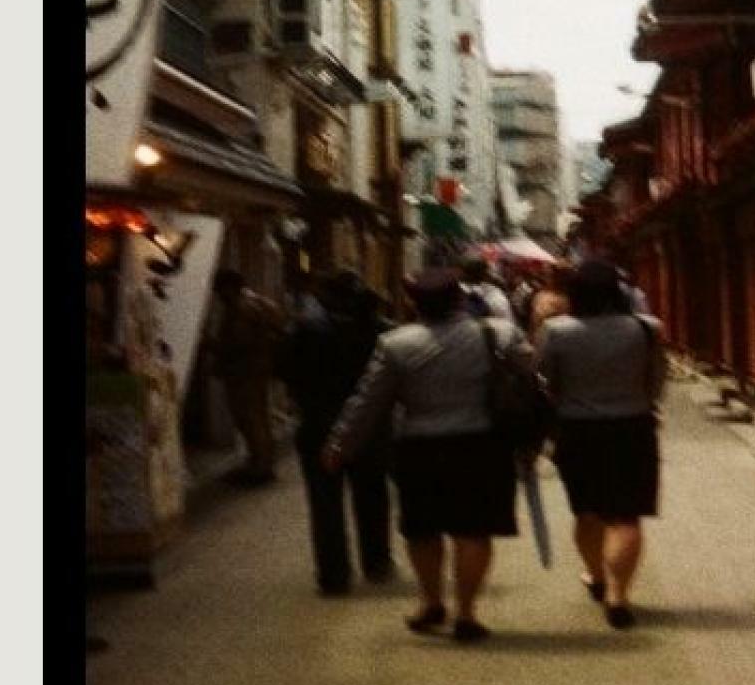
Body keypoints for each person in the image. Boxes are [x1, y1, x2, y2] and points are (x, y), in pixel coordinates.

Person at [324, 258, 540, 644]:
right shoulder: (498, 333)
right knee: (473, 530)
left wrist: (341, 444)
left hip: (419, 447)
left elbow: (368, 401)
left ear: (414, 303)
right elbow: (532, 373)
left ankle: (431, 602)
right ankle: (467, 612)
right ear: (459, 298)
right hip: (482, 445)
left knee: (423, 529)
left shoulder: (396, 344)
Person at [534, 255, 667, 627]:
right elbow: (656, 381)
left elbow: (544, 380)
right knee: (625, 515)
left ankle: (596, 576)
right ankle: (618, 595)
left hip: (576, 430)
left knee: (588, 512)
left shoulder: (556, 331)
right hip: (632, 427)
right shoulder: (647, 328)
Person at [280, 266, 393, 594]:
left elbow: (285, 371)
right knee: (372, 495)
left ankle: (333, 574)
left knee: (325, 502)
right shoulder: (381, 330)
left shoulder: (304, 330)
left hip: (319, 424)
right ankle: (377, 561)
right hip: (370, 426)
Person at [208, 265, 287, 484]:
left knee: (249, 419)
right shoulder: (260, 302)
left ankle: (260, 466)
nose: (218, 295)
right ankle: (263, 462)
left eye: (220, 289)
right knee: (259, 417)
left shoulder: (241, 307)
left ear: (230, 287)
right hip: (258, 369)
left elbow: (238, 342)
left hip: (244, 371)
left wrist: (212, 345)